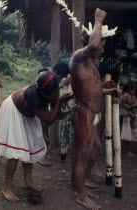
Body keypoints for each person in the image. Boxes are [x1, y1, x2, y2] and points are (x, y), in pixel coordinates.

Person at [69, 8, 121, 210]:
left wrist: (106, 90)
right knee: (81, 154)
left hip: (92, 114)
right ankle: (81, 195)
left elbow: (90, 88)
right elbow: (92, 45)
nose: (101, 49)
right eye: (100, 46)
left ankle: (82, 182)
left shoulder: (92, 63)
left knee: (96, 148)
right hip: (84, 114)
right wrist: (98, 20)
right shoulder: (79, 57)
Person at [0, 73, 71, 202]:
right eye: (56, 92)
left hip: (27, 114)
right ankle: (7, 188)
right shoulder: (34, 97)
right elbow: (48, 120)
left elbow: (56, 115)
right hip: (14, 112)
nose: (58, 94)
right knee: (15, 153)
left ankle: (27, 181)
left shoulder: (47, 92)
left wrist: (67, 110)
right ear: (46, 93)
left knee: (30, 146)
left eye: (58, 90)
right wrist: (59, 103)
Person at [36, 62, 71, 166]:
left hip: (43, 106)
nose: (60, 80)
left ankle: (42, 154)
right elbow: (46, 90)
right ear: (55, 72)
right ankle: (40, 157)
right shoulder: (44, 75)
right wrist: (64, 84)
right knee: (40, 131)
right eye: (60, 77)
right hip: (37, 106)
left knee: (44, 130)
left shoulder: (52, 78)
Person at [120, 81, 137, 157]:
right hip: (125, 112)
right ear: (128, 89)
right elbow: (130, 103)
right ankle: (132, 124)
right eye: (132, 90)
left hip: (127, 111)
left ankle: (132, 123)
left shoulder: (127, 94)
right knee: (127, 130)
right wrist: (134, 97)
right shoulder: (127, 95)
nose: (133, 92)